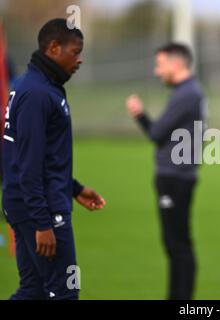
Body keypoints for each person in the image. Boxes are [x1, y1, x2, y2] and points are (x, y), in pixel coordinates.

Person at [2, 18, 106, 300]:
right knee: (64, 292)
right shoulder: (37, 93)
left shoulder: (38, 84)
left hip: (27, 204)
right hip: (42, 211)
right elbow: (27, 165)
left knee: (34, 291)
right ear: (54, 48)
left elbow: (40, 157)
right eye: (75, 51)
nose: (80, 59)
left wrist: (74, 188)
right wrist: (43, 223)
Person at [125, 43, 205, 300]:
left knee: (177, 245)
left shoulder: (187, 93)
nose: (157, 72)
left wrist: (139, 115)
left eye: (160, 65)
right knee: (176, 244)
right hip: (178, 177)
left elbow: (156, 133)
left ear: (176, 63)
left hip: (175, 178)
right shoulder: (189, 91)